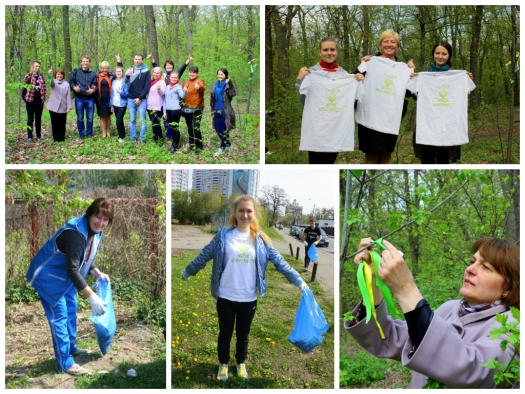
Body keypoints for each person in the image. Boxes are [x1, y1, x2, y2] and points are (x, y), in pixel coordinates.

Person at [345, 237, 520, 388]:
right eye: (472, 261)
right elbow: (389, 337)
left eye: (486, 267)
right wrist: (373, 281)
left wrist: (406, 289)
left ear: (508, 287)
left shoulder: (512, 328)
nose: (470, 269)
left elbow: (466, 368)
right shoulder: (450, 308)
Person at [181, 195, 308, 380]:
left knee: (243, 335)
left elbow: (281, 263)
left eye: (249, 211)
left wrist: (300, 282)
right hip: (225, 295)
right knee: (224, 334)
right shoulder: (223, 235)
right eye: (241, 210)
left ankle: (240, 362)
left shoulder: (262, 241)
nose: (245, 214)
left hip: (248, 299)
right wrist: (187, 271)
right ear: (235, 212)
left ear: (254, 214)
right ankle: (223, 363)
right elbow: (204, 255)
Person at [26, 198, 114, 375]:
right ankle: (65, 363)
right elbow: (73, 269)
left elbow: (84, 256)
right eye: (98, 217)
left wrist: (95, 271)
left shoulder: (93, 232)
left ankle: (71, 347)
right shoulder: (75, 234)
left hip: (63, 277)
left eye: (105, 219)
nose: (101, 223)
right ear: (90, 214)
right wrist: (91, 296)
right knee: (59, 317)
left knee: (71, 308)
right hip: (47, 277)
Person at [296, 37, 363, 164]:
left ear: (337, 51)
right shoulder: (312, 72)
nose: (329, 53)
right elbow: (304, 102)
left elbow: (350, 104)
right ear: (320, 52)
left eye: (332, 49)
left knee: (329, 164)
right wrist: (299, 80)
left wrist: (358, 82)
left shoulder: (344, 75)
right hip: (317, 131)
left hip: (335, 131)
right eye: (325, 50)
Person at [354, 30, 415, 164]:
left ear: (398, 46)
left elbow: (409, 93)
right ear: (380, 45)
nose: (389, 44)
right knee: (371, 155)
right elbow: (354, 81)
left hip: (390, 118)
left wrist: (411, 75)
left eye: (393, 42)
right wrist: (361, 73)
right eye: (385, 41)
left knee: (387, 155)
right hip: (369, 118)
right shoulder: (369, 62)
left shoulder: (403, 68)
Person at [411, 41, 475, 164]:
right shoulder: (424, 74)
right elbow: (416, 96)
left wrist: (465, 80)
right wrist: (414, 80)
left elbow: (461, 95)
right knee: (426, 161)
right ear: (433, 54)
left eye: (444, 54)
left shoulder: (456, 76)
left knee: (443, 163)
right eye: (437, 53)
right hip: (427, 128)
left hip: (447, 129)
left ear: (449, 56)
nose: (440, 56)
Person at [147, 53, 192, 139]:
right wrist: (152, 59)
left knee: (171, 119)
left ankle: (171, 134)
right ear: (165, 66)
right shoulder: (163, 75)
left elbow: (182, 69)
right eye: (167, 65)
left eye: (170, 65)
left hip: (173, 99)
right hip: (163, 98)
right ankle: (168, 134)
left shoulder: (175, 75)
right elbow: (156, 68)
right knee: (165, 118)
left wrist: (187, 61)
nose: (169, 66)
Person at [70, 56, 98, 139]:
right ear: (81, 62)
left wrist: (93, 90)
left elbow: (96, 85)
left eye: (87, 61)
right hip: (79, 98)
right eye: (84, 61)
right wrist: (74, 88)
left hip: (90, 99)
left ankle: (89, 134)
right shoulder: (76, 71)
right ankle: (81, 134)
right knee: (80, 118)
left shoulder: (93, 74)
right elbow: (71, 82)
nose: (85, 63)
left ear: (89, 62)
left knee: (90, 118)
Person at [210, 68, 236, 156]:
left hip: (225, 110)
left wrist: (230, 83)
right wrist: (212, 112)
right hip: (216, 109)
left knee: (224, 130)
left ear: (225, 76)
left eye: (222, 74)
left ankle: (222, 148)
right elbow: (212, 99)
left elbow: (233, 94)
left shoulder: (227, 85)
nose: (220, 76)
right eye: (219, 74)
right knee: (218, 129)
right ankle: (228, 144)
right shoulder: (214, 85)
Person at [125, 54, 151, 143]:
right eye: (136, 59)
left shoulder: (146, 71)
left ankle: (142, 139)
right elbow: (125, 83)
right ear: (133, 60)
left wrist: (140, 98)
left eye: (139, 59)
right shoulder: (129, 70)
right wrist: (128, 76)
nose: (137, 61)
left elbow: (147, 86)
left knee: (143, 120)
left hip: (142, 99)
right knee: (132, 120)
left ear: (142, 60)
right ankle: (133, 138)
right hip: (130, 99)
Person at [181, 65, 206, 154]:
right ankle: (192, 144)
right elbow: (182, 96)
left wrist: (199, 87)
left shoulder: (199, 81)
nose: (192, 74)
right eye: (191, 72)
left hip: (197, 108)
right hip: (187, 108)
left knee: (196, 127)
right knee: (190, 127)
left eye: (194, 72)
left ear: (197, 73)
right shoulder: (186, 82)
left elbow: (203, 88)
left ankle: (199, 146)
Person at [24, 60, 47, 143]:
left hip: (39, 102)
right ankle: (29, 136)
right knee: (30, 119)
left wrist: (43, 99)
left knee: (38, 118)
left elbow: (44, 87)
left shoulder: (41, 76)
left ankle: (39, 135)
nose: (38, 68)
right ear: (32, 67)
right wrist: (31, 73)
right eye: (36, 66)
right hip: (30, 101)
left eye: (39, 66)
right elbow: (25, 81)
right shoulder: (29, 76)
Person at [163, 72, 187, 153]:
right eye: (172, 77)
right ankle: (174, 142)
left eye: (175, 78)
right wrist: (164, 111)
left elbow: (183, 96)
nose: (173, 79)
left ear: (178, 79)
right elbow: (165, 100)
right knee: (171, 127)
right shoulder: (167, 87)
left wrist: (185, 91)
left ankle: (175, 145)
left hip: (175, 110)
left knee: (174, 128)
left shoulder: (178, 87)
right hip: (168, 110)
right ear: (170, 77)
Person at [46, 67, 72, 142]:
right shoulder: (53, 82)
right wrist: (49, 74)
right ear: (55, 75)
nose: (59, 76)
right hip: (53, 106)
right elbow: (50, 82)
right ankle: (55, 138)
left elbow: (68, 96)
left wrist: (68, 107)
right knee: (54, 123)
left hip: (63, 106)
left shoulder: (66, 84)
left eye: (61, 74)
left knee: (62, 123)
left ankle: (61, 137)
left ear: (63, 75)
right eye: (58, 74)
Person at [147, 67, 167, 144]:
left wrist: (159, 89)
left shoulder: (162, 82)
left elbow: (162, 93)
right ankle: (156, 138)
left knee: (156, 123)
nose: (155, 74)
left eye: (157, 73)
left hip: (158, 107)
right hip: (149, 106)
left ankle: (159, 140)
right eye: (154, 72)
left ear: (161, 74)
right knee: (153, 123)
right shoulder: (151, 81)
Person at [110, 66, 130, 143]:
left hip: (122, 104)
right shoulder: (114, 81)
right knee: (119, 121)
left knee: (118, 121)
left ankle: (121, 137)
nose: (118, 73)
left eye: (119, 71)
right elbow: (112, 94)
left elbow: (126, 94)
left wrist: (120, 91)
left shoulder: (125, 82)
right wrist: (111, 105)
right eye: (117, 71)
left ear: (122, 72)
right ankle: (122, 135)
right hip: (115, 104)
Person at [97, 61, 113, 137]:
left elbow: (120, 71)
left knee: (108, 115)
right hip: (100, 99)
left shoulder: (111, 76)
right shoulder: (97, 76)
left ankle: (108, 131)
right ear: (101, 68)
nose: (104, 70)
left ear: (108, 69)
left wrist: (119, 61)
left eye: (106, 68)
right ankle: (103, 132)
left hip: (109, 98)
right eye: (103, 68)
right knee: (102, 116)